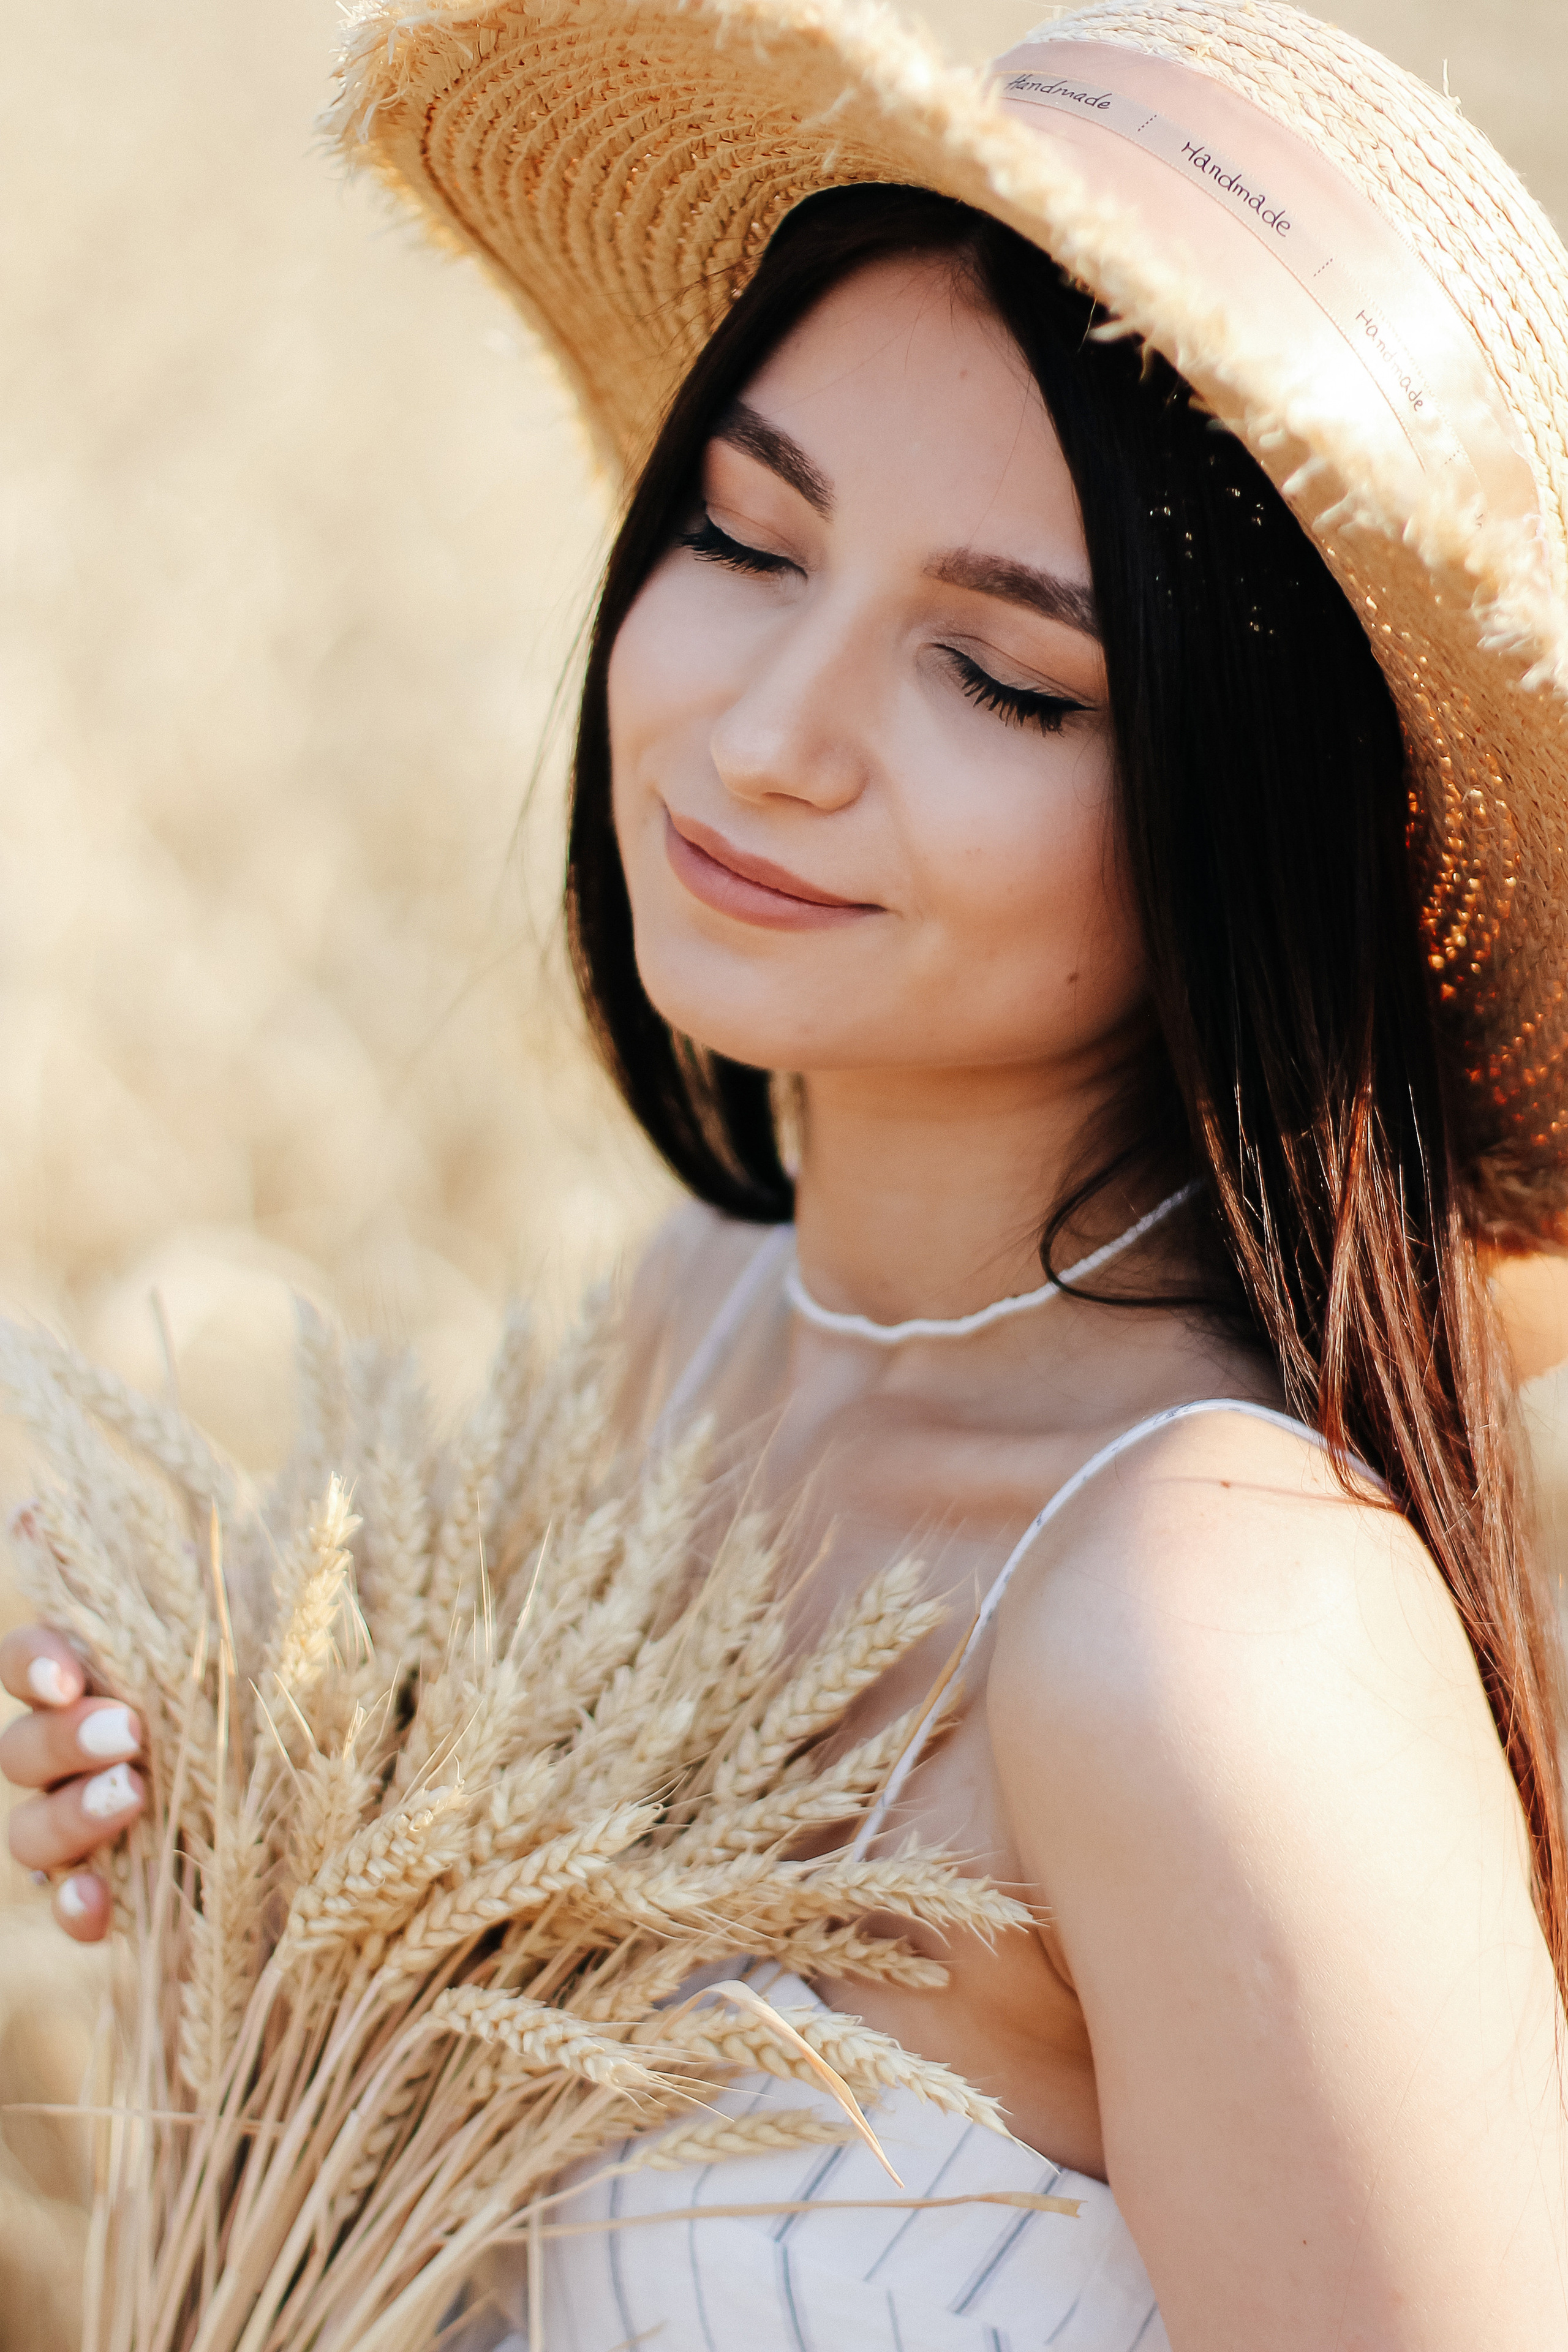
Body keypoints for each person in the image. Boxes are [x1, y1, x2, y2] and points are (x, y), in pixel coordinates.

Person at [5, 2, 1568, 2343]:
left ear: (1262, 824)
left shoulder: (1209, 1635)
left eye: (1005, 677)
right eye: (747, 537)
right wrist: (272, 1888)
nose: (763, 736)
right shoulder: (698, 1325)